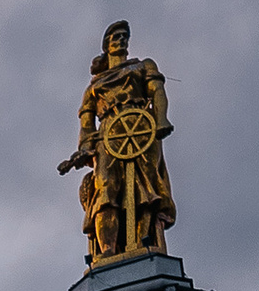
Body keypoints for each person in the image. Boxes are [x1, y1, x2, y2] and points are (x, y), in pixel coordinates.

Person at [59, 20, 175, 265]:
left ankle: (145, 239)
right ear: (106, 44)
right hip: (108, 138)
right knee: (106, 189)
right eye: (116, 36)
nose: (121, 40)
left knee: (146, 185)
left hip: (142, 130)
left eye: (125, 36)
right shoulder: (93, 87)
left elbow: (157, 92)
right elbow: (86, 125)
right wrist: (85, 149)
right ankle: (108, 251)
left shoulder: (144, 66)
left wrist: (161, 119)